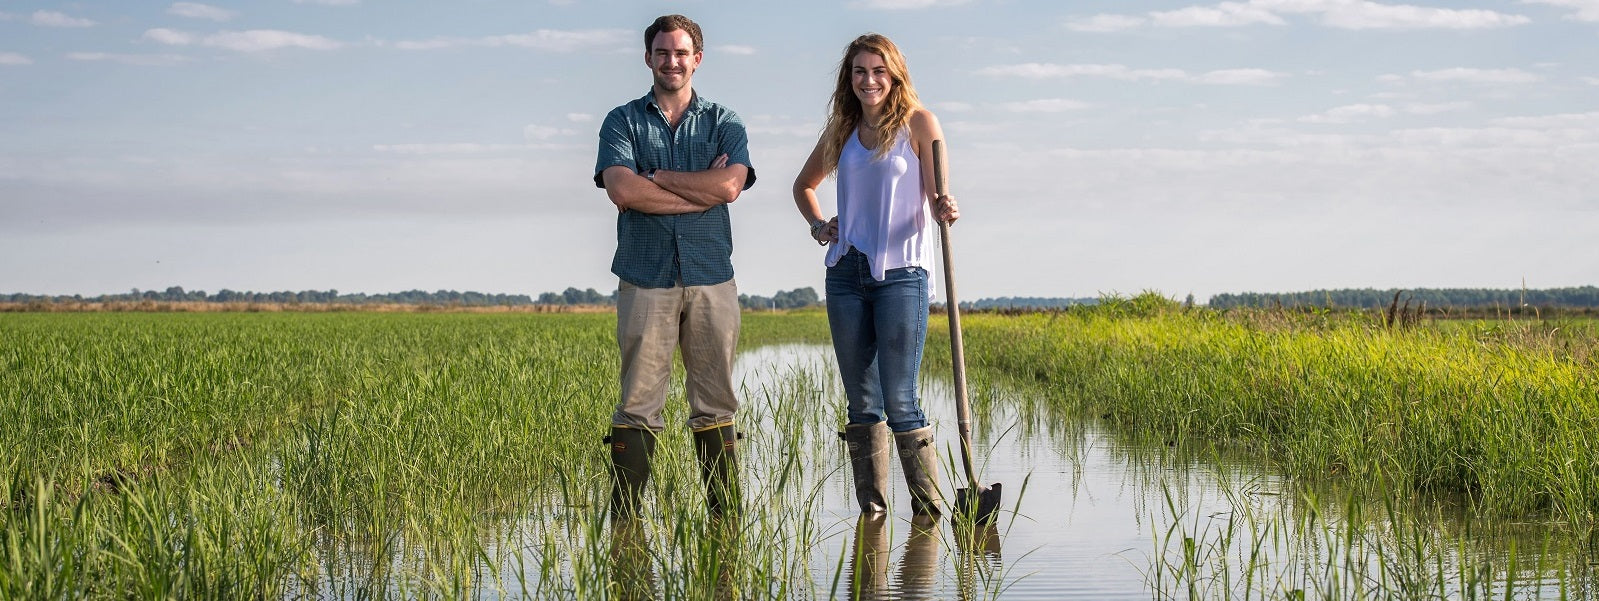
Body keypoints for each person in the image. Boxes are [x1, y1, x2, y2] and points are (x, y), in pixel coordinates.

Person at [594, 14, 755, 519]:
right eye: (662, 52)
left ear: (697, 59)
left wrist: (657, 178)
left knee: (715, 404)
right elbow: (622, 189)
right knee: (639, 402)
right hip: (645, 276)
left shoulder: (725, 122)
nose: (672, 61)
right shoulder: (621, 121)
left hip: (712, 275)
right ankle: (626, 522)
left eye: (681, 53)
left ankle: (723, 522)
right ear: (648, 58)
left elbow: (730, 186)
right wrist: (696, 191)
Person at [792, 33, 959, 516]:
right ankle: (874, 515)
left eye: (878, 71)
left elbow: (934, 195)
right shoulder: (842, 129)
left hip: (902, 272)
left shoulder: (919, 124)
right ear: (850, 78)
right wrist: (821, 226)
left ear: (895, 75)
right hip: (846, 271)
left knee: (900, 398)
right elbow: (803, 185)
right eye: (860, 72)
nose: (869, 80)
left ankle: (928, 513)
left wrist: (944, 205)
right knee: (862, 404)